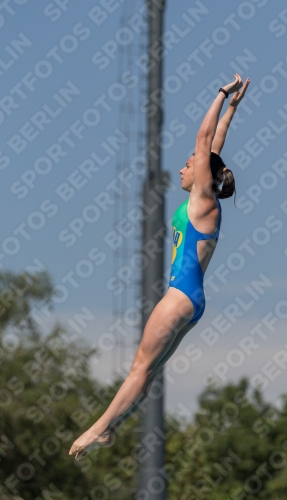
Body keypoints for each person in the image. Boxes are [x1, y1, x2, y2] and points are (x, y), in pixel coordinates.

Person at [69, 73, 250, 460]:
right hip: (193, 302)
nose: (184, 170)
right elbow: (214, 147)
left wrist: (220, 92)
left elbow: (204, 146)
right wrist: (232, 108)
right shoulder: (209, 198)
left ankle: (97, 428)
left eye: (188, 166)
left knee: (139, 366)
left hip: (179, 295)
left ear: (203, 174)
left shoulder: (204, 200)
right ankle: (111, 429)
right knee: (148, 372)